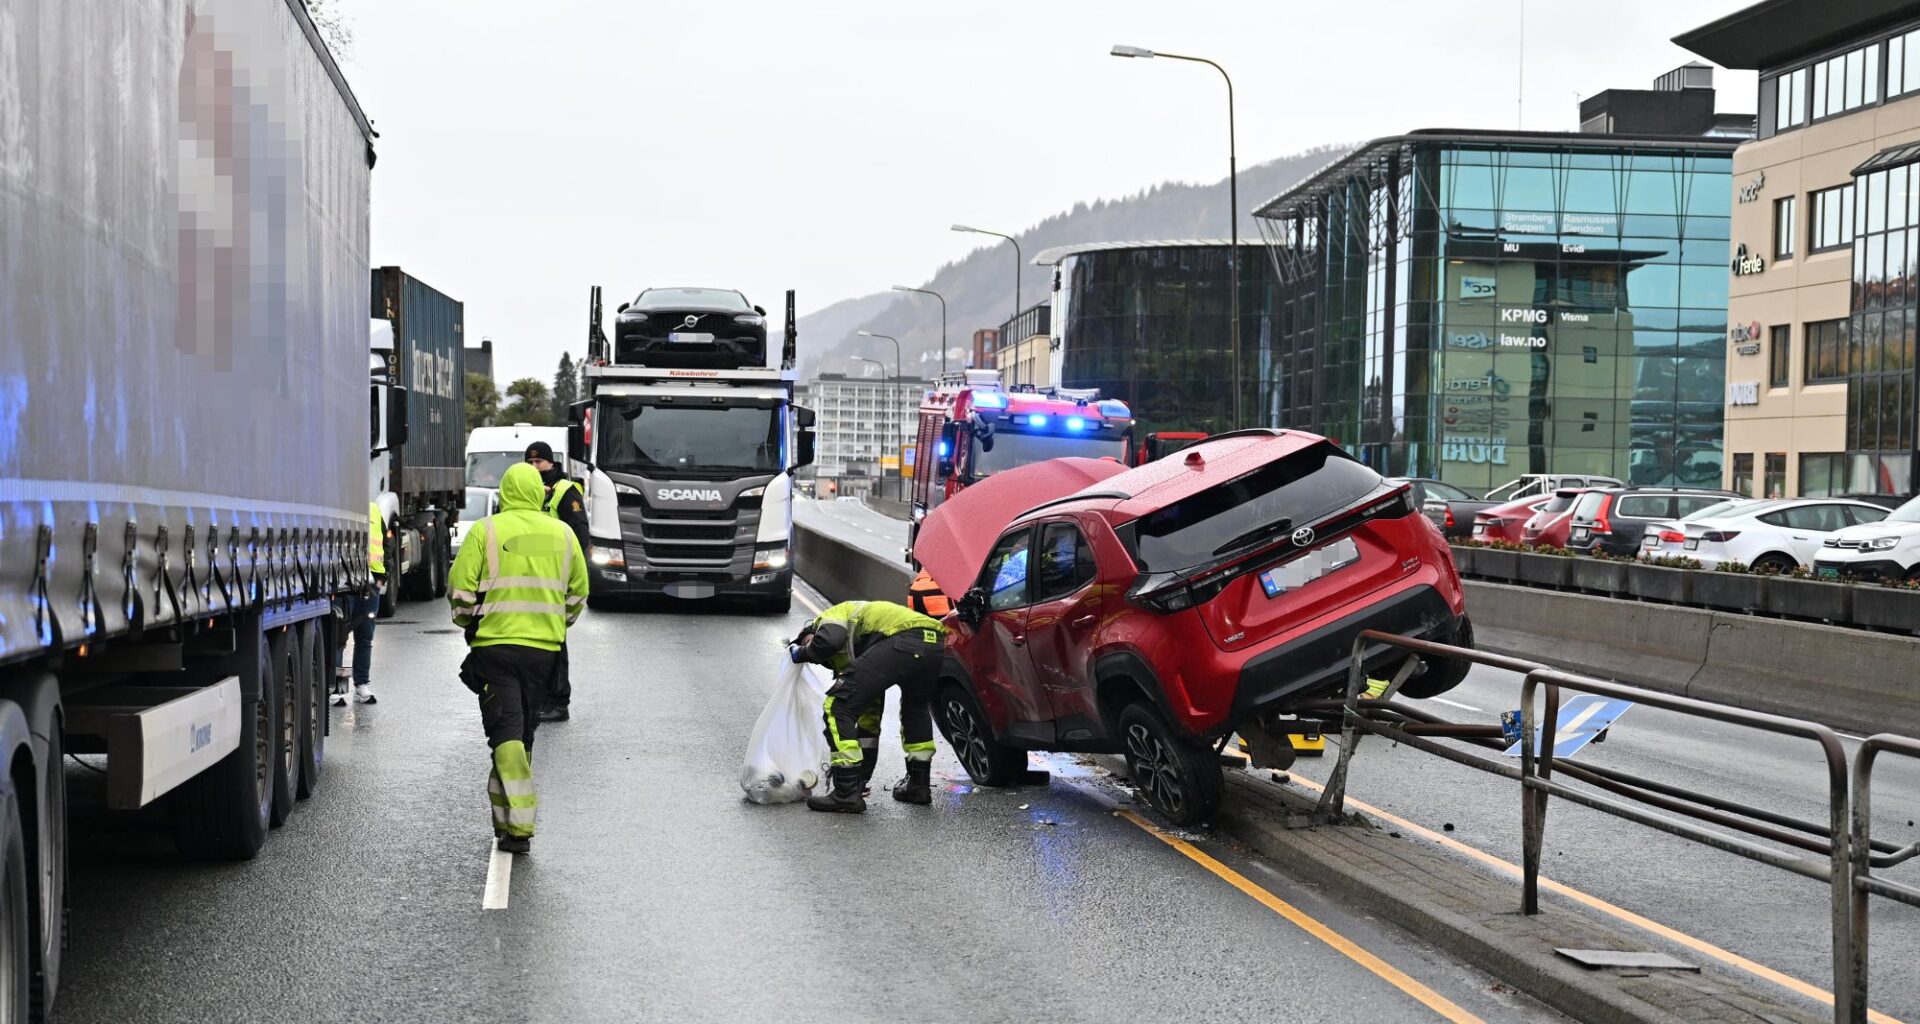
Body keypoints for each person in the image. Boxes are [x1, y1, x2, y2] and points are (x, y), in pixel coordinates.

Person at [448, 463, 589, 854]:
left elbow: (460, 591)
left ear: (506, 491)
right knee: (520, 734)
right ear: (539, 493)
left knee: (506, 732)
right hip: (544, 652)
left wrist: (469, 622)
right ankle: (506, 825)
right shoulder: (562, 533)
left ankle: (522, 824)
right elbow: (579, 593)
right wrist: (556, 623)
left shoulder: (486, 531)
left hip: (495, 650)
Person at [789, 600, 945, 814]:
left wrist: (800, 652)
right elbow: (868, 724)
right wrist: (861, 779)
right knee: (915, 711)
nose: (815, 653)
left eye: (808, 640)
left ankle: (844, 794)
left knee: (837, 706)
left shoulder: (831, 616)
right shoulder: (862, 651)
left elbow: (828, 641)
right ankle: (918, 786)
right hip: (933, 642)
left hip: (903, 637)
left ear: (812, 629)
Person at [525, 441, 588, 723]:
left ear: (551, 463)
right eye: (530, 463)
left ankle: (559, 701)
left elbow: (579, 535)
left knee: (554, 640)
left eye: (539, 462)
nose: (535, 467)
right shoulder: (523, 490)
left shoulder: (566, 491)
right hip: (528, 575)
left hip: (554, 577)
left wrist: (571, 575)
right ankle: (539, 697)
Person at [334, 501, 385, 706]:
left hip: (370, 584)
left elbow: (386, 544)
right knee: (338, 637)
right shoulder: (337, 505)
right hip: (343, 584)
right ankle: (335, 687)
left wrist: (383, 576)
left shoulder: (373, 508)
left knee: (365, 637)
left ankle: (361, 685)